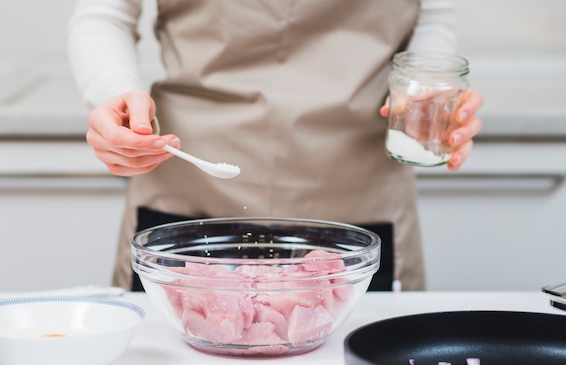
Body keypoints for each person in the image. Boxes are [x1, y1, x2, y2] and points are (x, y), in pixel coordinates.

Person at [67, 0, 484, 292]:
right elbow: (106, 12)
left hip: (356, 183)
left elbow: (431, 12)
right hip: (191, 182)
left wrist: (427, 89)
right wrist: (115, 94)